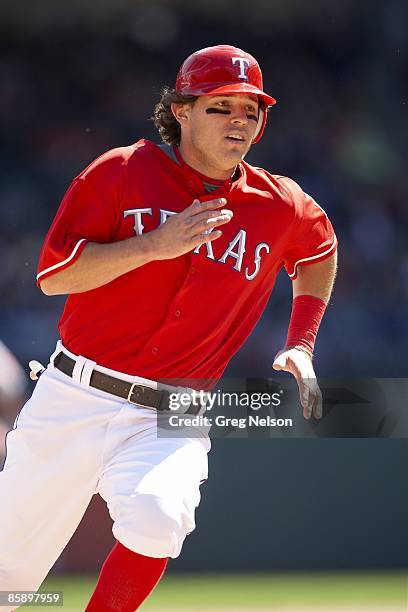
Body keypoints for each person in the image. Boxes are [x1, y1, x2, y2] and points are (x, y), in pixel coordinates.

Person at [0, 45, 337, 611]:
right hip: (73, 394)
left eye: (251, 110)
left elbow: (320, 253)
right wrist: (155, 245)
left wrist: (301, 342)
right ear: (180, 111)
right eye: (220, 106)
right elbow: (55, 277)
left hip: (174, 410)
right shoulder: (120, 171)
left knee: (159, 518)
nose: (239, 120)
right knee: (10, 576)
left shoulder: (280, 205)